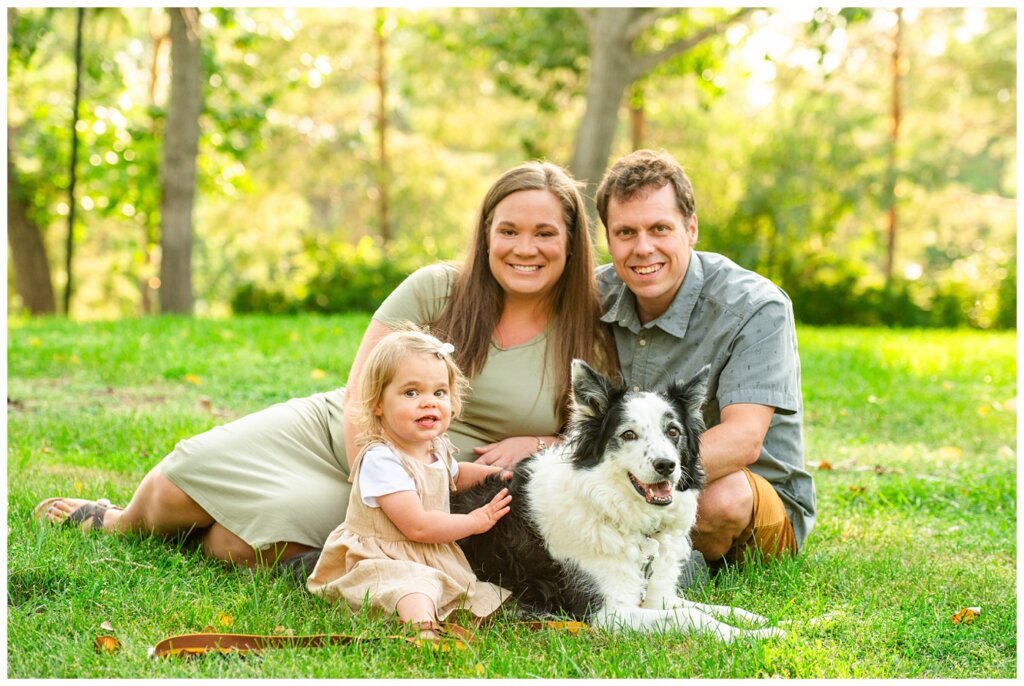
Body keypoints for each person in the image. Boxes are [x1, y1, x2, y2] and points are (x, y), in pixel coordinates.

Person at [33, 160, 617, 568]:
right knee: (190, 472)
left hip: (434, 477)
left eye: (545, 233)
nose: (525, 248)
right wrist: (369, 472)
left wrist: (539, 444)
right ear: (486, 234)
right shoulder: (438, 289)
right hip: (349, 436)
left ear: (571, 242)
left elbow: (602, 439)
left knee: (242, 546)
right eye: (508, 230)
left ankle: (211, 537)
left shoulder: (590, 327)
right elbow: (363, 389)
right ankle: (123, 523)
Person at [594, 149, 815, 569]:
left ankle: (673, 575)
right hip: (634, 485)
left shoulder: (754, 306)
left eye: (660, 228)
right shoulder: (594, 296)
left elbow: (742, 440)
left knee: (717, 500)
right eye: (625, 233)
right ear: (609, 239)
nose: (643, 248)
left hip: (746, 501)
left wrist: (629, 479)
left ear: (691, 229)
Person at [306, 328, 512, 639]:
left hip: (425, 554)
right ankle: (423, 630)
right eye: (411, 393)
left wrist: (492, 474)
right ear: (377, 403)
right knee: (413, 587)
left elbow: (453, 475)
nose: (429, 403)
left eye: (439, 392)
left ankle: (437, 611)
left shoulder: (437, 446)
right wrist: (474, 521)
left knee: (468, 590)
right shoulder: (381, 460)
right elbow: (417, 527)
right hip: (381, 560)